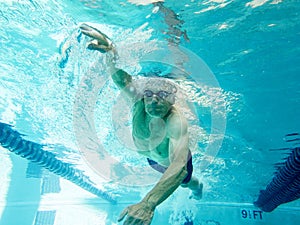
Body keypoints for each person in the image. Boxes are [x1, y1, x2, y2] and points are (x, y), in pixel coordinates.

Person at [80, 23, 203, 225]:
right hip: (152, 160)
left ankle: (199, 188)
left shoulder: (176, 121)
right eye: (149, 94)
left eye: (162, 95)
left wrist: (148, 203)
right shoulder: (138, 103)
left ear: (172, 100)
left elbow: (179, 167)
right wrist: (110, 51)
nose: (154, 100)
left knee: (187, 183)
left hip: (171, 163)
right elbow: (119, 77)